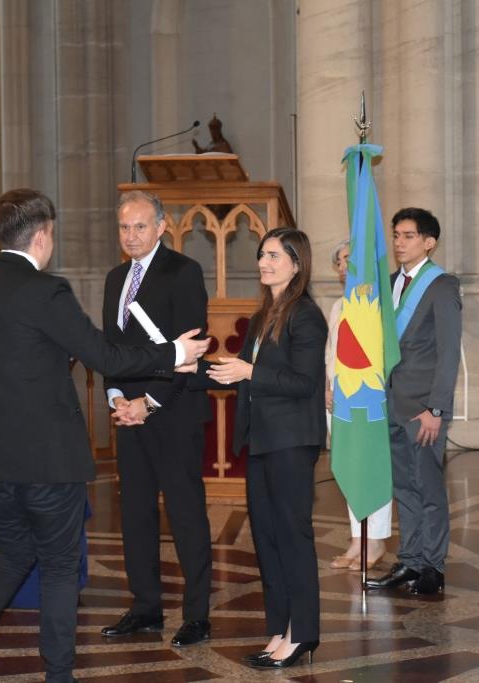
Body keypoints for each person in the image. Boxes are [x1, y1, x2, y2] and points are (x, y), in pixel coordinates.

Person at [0, 189, 210, 683]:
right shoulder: (47, 290)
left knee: (12, 553)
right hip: (46, 455)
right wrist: (174, 354)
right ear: (42, 236)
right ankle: (59, 674)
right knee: (61, 564)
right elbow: (103, 356)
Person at [193, 227, 327, 669]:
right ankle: (279, 628)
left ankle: (302, 633)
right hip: (262, 440)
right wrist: (187, 367)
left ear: (296, 263)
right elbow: (241, 373)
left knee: (292, 537)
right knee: (267, 539)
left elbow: (303, 382)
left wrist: (249, 372)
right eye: (262, 255)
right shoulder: (261, 316)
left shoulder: (306, 316)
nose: (263, 263)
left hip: (292, 441)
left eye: (273, 255)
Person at [99, 190, 213, 647]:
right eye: (124, 227)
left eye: (140, 226)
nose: (131, 236)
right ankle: (145, 607)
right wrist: (116, 399)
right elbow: (110, 349)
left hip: (173, 412)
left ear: (162, 227)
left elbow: (191, 351)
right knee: (135, 513)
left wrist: (148, 402)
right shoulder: (115, 278)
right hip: (128, 415)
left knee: (186, 515)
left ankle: (197, 615)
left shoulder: (183, 272)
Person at [365, 207, 462, 596]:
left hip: (423, 408)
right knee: (404, 487)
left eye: (408, 236)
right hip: (390, 402)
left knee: (429, 489)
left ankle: (433, 566)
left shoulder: (442, 286)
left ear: (429, 242)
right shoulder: (390, 283)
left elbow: (449, 352)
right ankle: (410, 560)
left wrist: (437, 408)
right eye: (396, 235)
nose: (399, 243)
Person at [324, 239, 391, 570]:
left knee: (371, 466)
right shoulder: (338, 306)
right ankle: (357, 539)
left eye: (349, 259)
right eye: (338, 262)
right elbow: (330, 352)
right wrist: (327, 386)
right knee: (349, 467)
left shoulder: (378, 304)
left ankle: (375, 539)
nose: (343, 267)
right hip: (338, 398)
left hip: (367, 398)